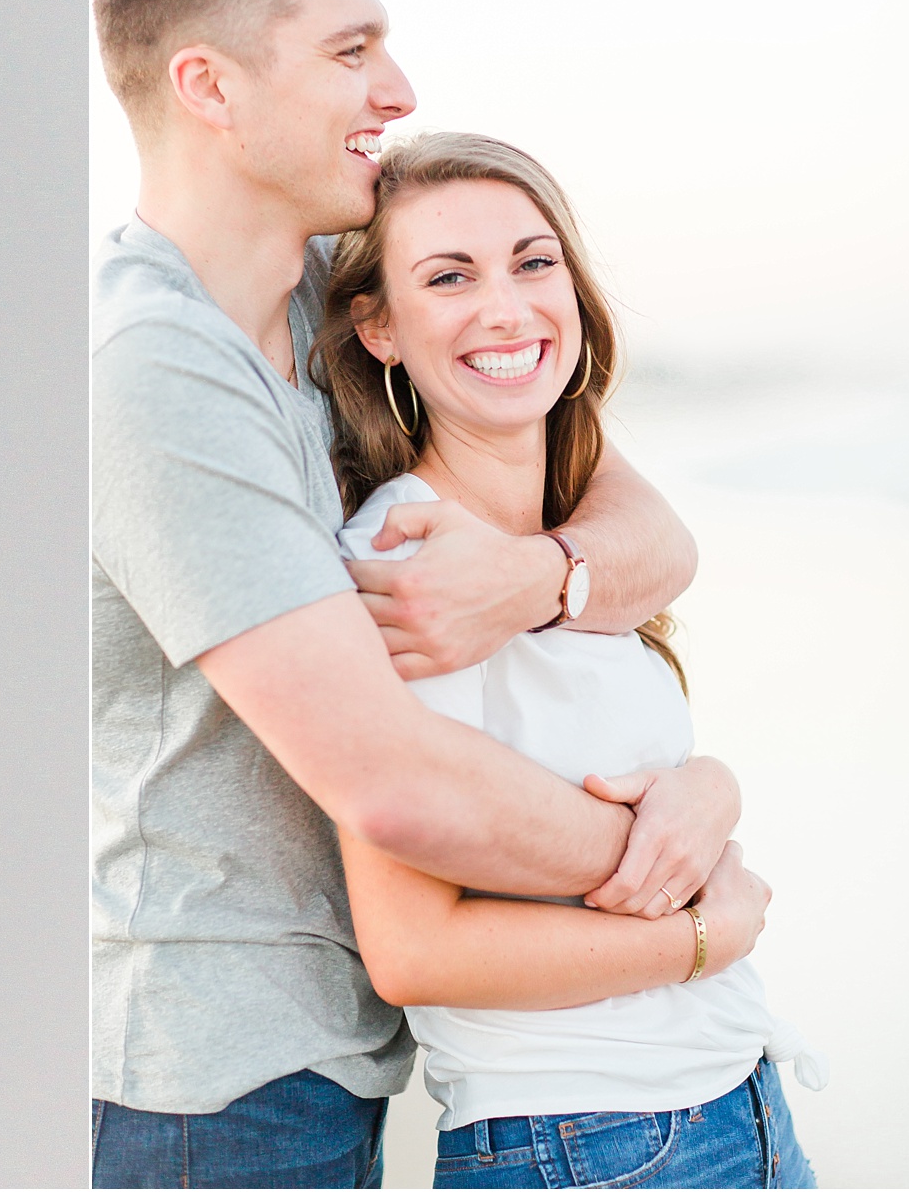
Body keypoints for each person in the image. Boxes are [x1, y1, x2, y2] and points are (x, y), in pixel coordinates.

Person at [93, 0, 744, 1188]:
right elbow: (394, 780)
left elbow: (641, 523)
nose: (394, 87)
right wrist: (688, 883)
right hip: (208, 1078)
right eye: (350, 52)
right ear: (209, 87)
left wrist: (537, 579)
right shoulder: (158, 367)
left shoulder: (302, 310)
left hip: (339, 1053)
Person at [320, 131, 824, 1188]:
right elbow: (415, 946)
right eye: (448, 276)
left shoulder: (572, 535)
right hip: (584, 1139)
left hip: (736, 1103)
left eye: (532, 261)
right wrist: (702, 936)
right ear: (379, 327)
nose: (505, 307)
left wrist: (709, 789)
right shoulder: (406, 558)